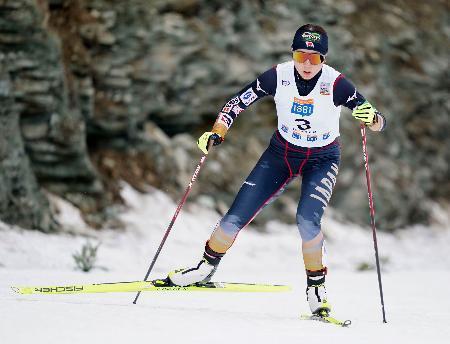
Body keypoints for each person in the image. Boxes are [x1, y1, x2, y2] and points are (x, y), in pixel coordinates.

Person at [167, 24, 386, 316]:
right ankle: (204, 268)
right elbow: (236, 103)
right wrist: (217, 130)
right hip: (281, 154)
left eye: (315, 57)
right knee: (235, 216)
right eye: (301, 54)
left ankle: (316, 289)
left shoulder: (336, 84)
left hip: (322, 159)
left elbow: (379, 121)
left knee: (307, 220)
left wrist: (371, 118)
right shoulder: (278, 76)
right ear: (292, 54)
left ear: (324, 59)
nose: (307, 63)